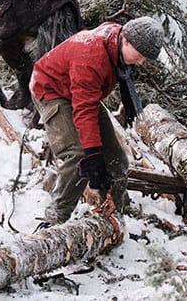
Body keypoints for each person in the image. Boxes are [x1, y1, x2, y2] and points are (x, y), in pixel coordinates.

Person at [30, 16, 165, 225]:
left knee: (117, 161)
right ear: (126, 41)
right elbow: (84, 110)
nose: (141, 62)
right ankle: (55, 220)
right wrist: (93, 155)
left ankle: (112, 218)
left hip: (81, 92)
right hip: (52, 89)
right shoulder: (92, 56)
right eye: (139, 56)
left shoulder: (119, 41)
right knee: (79, 155)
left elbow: (87, 100)